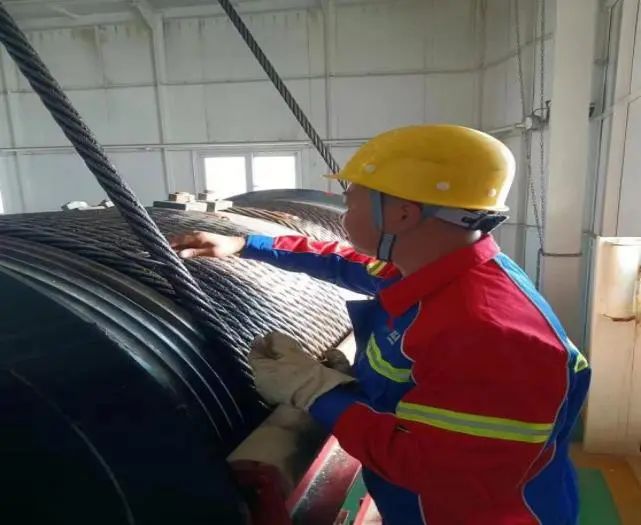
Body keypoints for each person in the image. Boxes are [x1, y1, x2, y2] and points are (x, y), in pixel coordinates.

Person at [170, 125, 590, 525]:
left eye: (352, 202)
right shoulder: (438, 272)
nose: (344, 213)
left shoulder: (486, 333)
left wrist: (316, 391)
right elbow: (343, 263)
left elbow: (430, 466)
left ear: (403, 215)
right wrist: (246, 244)